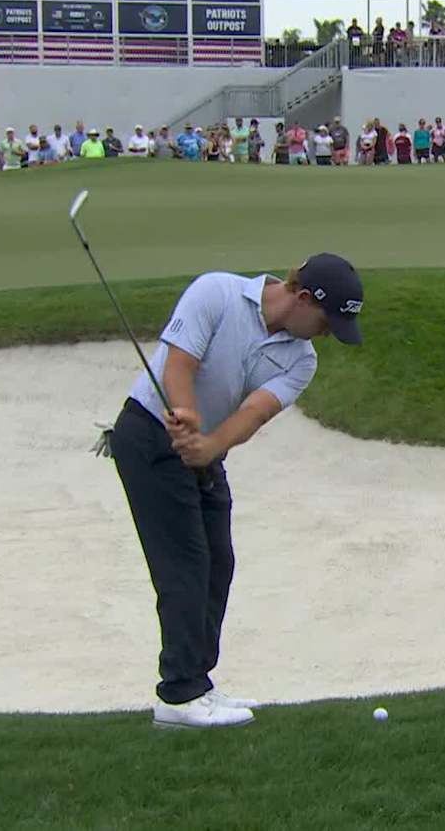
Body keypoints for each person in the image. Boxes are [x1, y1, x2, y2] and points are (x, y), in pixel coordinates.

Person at [102, 253, 365, 730]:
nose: (328, 334)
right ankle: (178, 695)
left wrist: (209, 446)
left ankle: (198, 681)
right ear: (304, 298)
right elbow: (179, 364)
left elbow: (254, 413)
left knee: (218, 562)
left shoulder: (302, 360)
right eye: (327, 322)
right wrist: (186, 414)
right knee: (185, 564)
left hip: (206, 451)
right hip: (147, 436)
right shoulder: (217, 293)